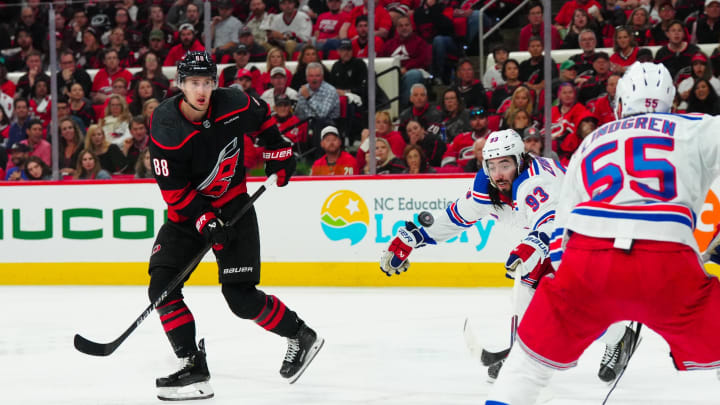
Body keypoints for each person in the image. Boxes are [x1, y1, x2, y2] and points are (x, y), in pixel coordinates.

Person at [485, 60, 720, 405]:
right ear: (672, 102)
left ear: (620, 104)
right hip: (667, 261)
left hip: (588, 260)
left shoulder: (591, 140)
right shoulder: (698, 126)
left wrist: (575, 296)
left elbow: (563, 231)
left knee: (526, 367)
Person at [146, 51, 323, 400]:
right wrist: (204, 220)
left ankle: (301, 334)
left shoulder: (234, 103)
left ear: (215, 83)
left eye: (207, 82)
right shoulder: (165, 125)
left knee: (240, 299)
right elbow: (173, 190)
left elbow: (265, 120)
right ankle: (193, 367)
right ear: (180, 85)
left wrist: (278, 152)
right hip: (186, 217)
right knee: (161, 289)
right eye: (193, 83)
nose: (201, 90)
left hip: (233, 207)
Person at [380, 129, 564, 381]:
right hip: (553, 230)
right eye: (492, 165)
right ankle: (524, 356)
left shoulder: (533, 182)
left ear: (520, 160)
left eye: (505, 164)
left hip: (578, 226)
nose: (498, 173)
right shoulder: (488, 183)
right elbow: (458, 216)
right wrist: (415, 237)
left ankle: (615, 336)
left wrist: (536, 242)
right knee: (532, 281)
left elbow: (551, 219)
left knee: (555, 291)